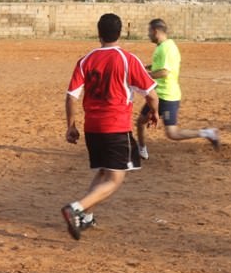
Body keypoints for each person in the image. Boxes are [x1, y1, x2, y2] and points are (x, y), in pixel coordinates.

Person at [62, 13, 160, 241]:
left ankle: (85, 217)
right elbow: (152, 96)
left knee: (104, 171)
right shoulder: (128, 59)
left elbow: (71, 97)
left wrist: (71, 126)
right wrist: (154, 112)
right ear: (121, 32)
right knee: (115, 179)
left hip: (92, 128)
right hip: (116, 127)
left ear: (99, 33)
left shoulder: (86, 60)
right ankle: (75, 209)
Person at [136, 18, 220, 159]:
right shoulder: (163, 46)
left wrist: (145, 75)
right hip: (158, 94)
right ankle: (141, 150)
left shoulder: (167, 48)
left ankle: (207, 133)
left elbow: (164, 72)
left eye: (149, 31)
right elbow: (161, 65)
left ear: (155, 31)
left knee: (172, 133)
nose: (148, 34)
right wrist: (148, 67)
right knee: (140, 121)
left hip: (167, 96)